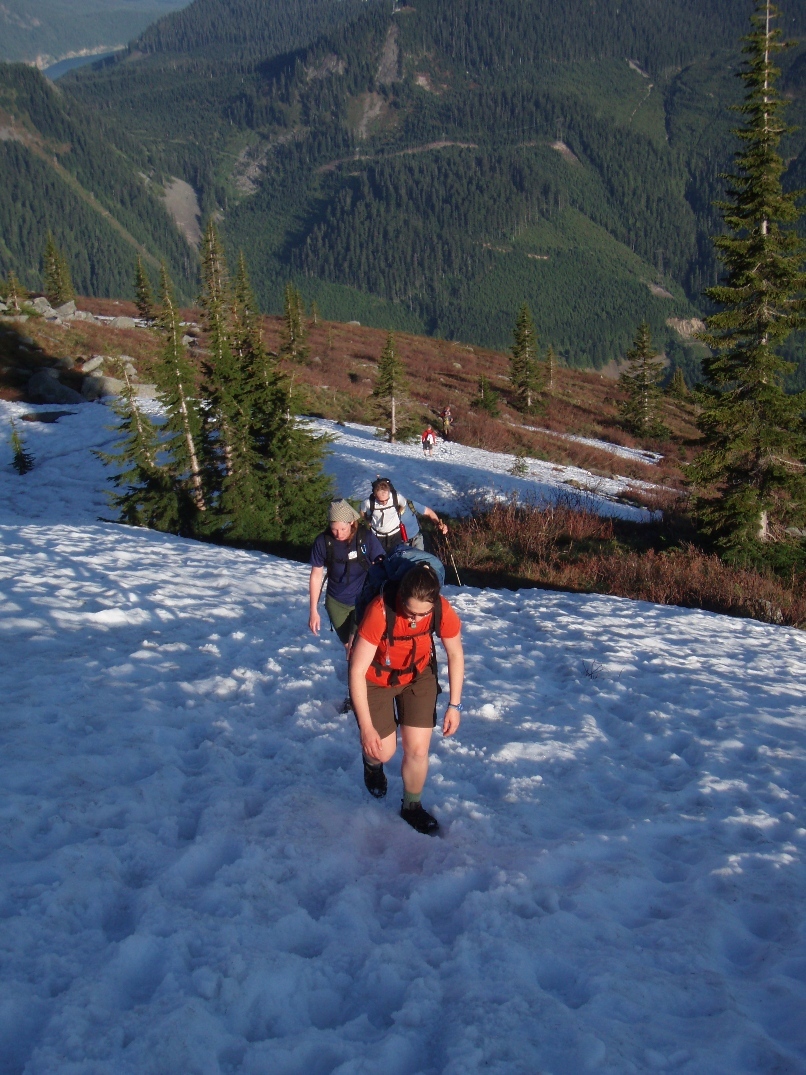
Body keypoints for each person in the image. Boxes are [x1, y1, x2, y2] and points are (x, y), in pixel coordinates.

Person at [349, 562, 465, 835]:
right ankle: (372, 765)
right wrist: (366, 728)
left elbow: (455, 654)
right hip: (376, 679)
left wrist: (455, 705)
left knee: (418, 750)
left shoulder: (441, 609)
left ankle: (412, 807)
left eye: (423, 614)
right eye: (410, 612)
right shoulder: (380, 610)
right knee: (383, 751)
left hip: (417, 675)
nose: (416, 619)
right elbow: (356, 670)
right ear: (401, 597)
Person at [309, 499, 385, 659]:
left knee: (356, 646)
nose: (339, 534)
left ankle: (364, 674)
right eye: (334, 529)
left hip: (363, 600)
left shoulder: (365, 537)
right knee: (349, 649)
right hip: (336, 603)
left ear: (351, 522)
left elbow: (382, 563)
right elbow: (316, 575)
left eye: (343, 529)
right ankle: (355, 673)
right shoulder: (323, 542)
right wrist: (313, 610)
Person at [361, 477, 448, 553]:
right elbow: (365, 513)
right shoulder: (376, 508)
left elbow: (429, 512)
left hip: (416, 539)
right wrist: (368, 521)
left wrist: (438, 523)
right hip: (398, 541)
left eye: (388, 499)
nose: (385, 503)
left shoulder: (409, 504)